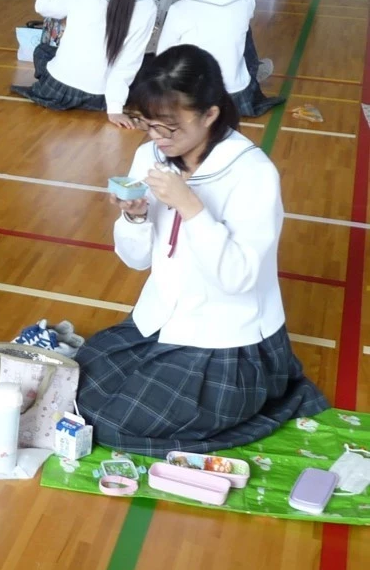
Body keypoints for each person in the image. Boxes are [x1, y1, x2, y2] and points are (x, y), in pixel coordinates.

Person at [74, 45, 329, 456]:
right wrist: (135, 217)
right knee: (74, 391)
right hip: (162, 321)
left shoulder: (253, 173)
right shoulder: (152, 155)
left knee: (113, 421)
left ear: (210, 114)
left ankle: (263, 397)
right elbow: (138, 260)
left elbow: (237, 279)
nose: (157, 138)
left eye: (169, 128)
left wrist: (191, 207)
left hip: (227, 342)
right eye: (148, 125)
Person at [11, 0, 160, 128]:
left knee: (42, 51)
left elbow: (43, 6)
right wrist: (115, 109)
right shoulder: (148, 8)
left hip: (56, 90)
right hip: (99, 99)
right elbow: (128, 64)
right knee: (146, 67)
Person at [155, 0, 283, 117]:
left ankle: (247, 72)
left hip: (192, 98)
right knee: (241, 31)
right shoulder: (246, 1)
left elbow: (162, 55)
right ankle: (248, 72)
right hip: (234, 95)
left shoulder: (178, 8)